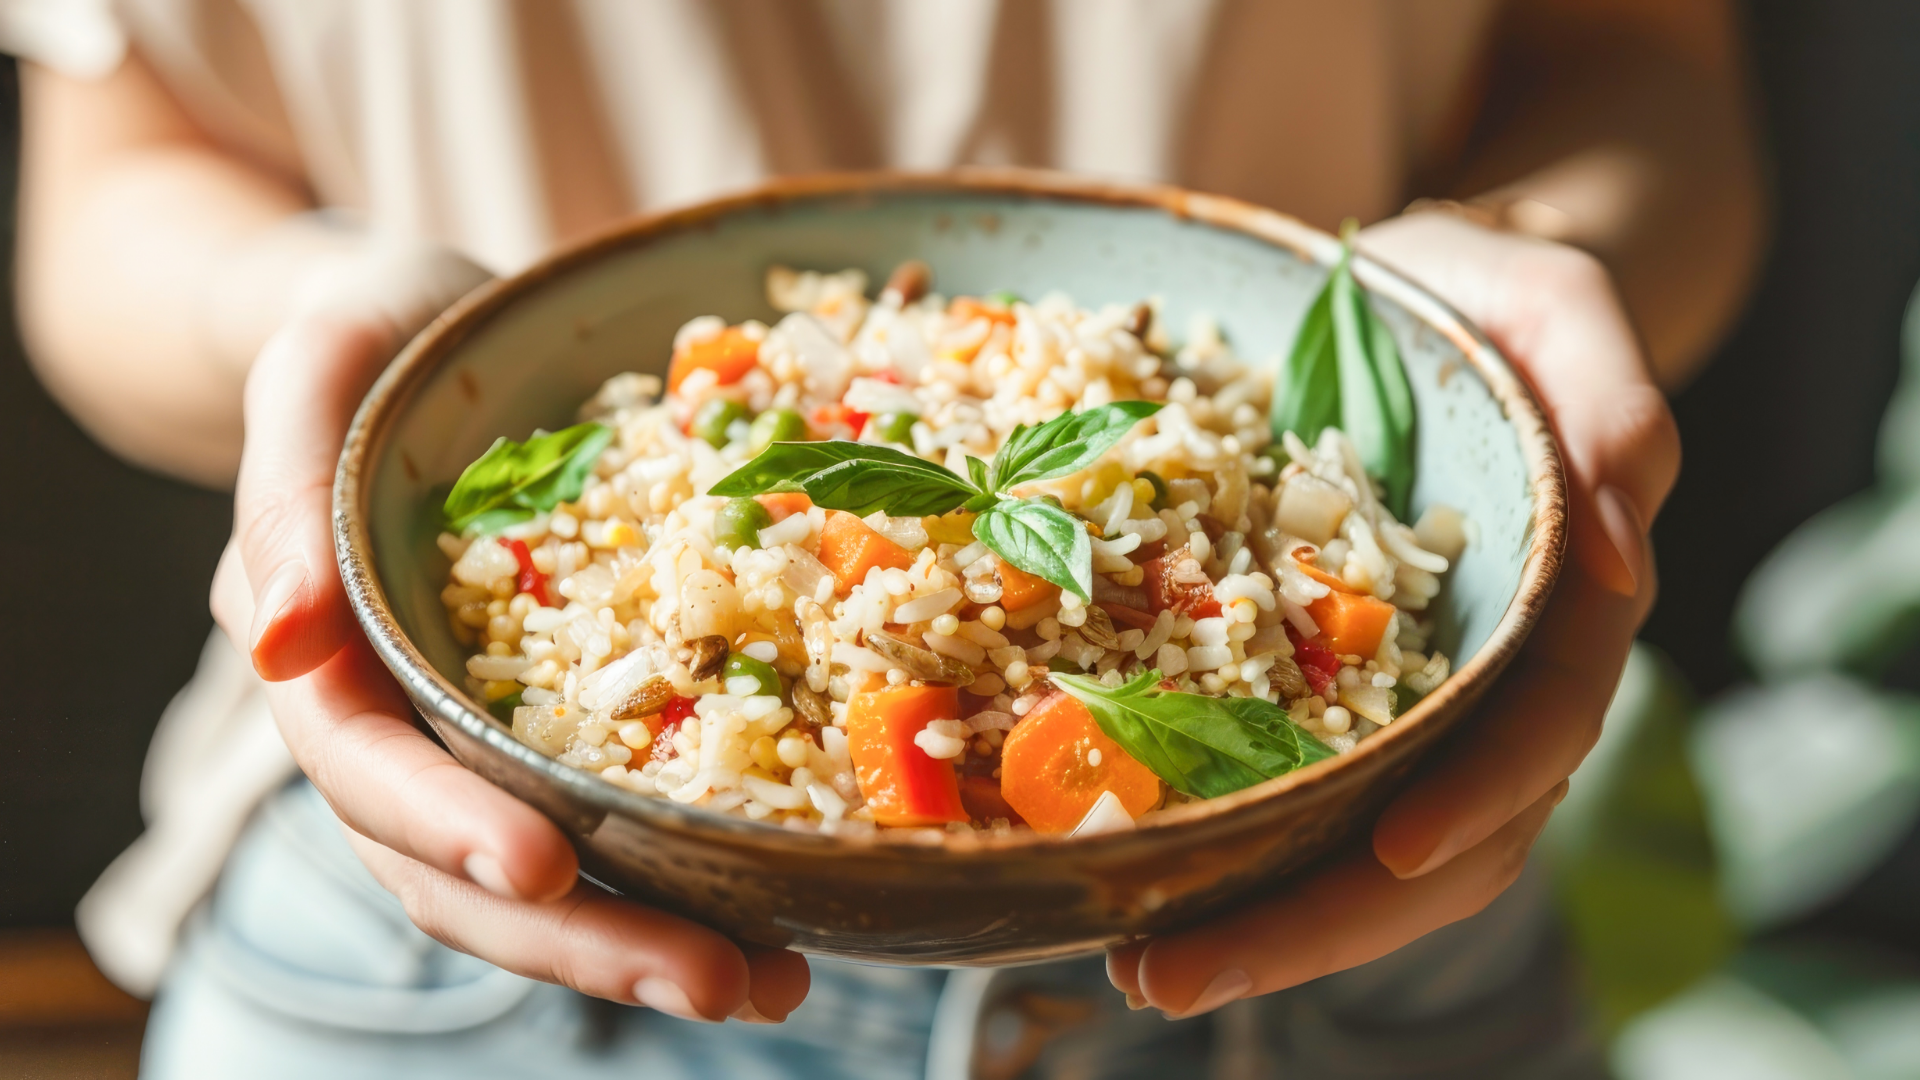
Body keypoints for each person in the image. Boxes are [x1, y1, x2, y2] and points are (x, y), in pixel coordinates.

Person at [8, 0, 1759, 1075]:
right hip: (456, 921)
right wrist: (305, 305)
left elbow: (1641, 68)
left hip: (1352, 909)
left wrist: (1515, 269)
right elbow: (116, 183)